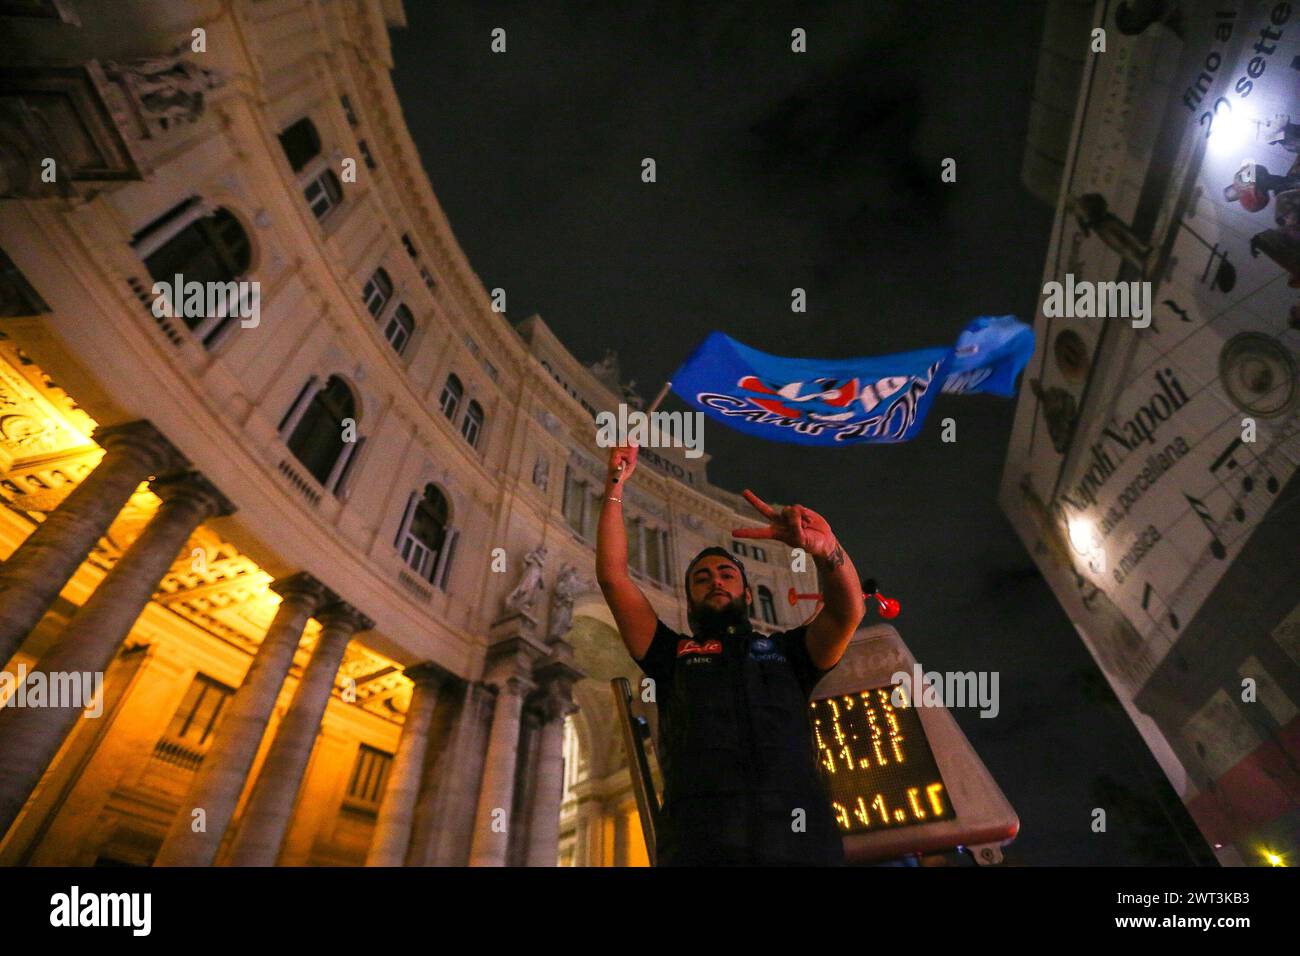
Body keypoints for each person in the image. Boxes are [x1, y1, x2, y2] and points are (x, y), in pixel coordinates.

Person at [595, 441, 865, 865]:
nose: (715, 581)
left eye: (726, 573)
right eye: (701, 578)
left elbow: (848, 612)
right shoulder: (670, 653)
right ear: (688, 599)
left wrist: (828, 550)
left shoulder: (788, 653)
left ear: (748, 593)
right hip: (702, 847)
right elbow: (613, 577)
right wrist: (615, 486)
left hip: (801, 843)